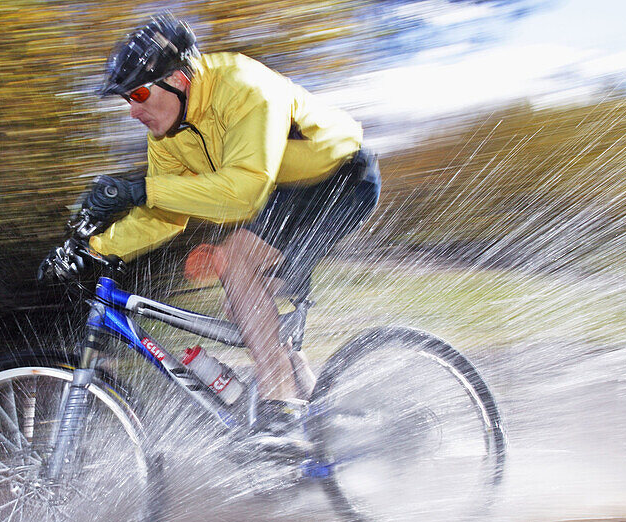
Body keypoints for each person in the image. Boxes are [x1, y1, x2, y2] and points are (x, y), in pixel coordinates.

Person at [53, 13, 380, 444]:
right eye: (125, 100)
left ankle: (281, 408)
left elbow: (243, 193)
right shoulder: (169, 135)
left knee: (234, 261)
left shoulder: (244, 87)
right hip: (283, 192)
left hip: (339, 177)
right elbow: (165, 213)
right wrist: (93, 247)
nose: (132, 110)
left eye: (138, 93)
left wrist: (141, 188)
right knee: (250, 315)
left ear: (179, 80)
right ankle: (323, 426)